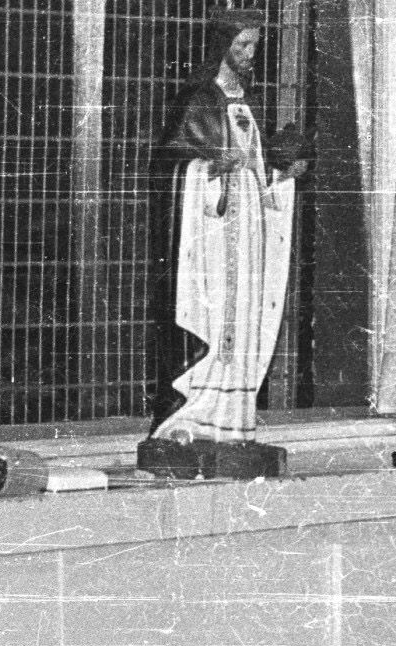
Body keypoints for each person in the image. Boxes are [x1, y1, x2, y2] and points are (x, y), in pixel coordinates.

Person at [139, 8, 306, 477]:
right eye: (242, 46)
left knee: (244, 319)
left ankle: (234, 422)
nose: (250, 55)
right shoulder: (197, 99)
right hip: (210, 237)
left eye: (255, 46)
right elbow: (170, 167)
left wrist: (280, 175)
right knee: (212, 317)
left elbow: (257, 168)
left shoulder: (248, 103)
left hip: (248, 232)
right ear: (221, 47)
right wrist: (210, 168)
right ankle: (191, 417)